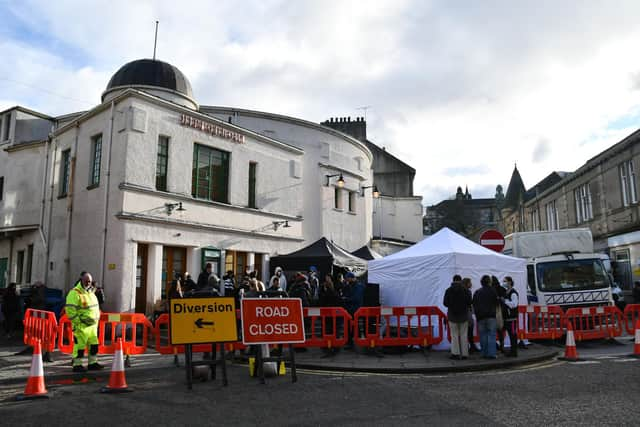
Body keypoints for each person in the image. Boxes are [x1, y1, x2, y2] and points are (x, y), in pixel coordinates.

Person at [65, 272, 103, 372]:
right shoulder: (74, 293)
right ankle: (77, 365)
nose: (88, 283)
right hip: (81, 326)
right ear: (81, 280)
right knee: (80, 346)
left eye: (89, 282)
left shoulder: (91, 292)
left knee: (94, 345)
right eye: (86, 281)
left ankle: (92, 363)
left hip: (92, 326)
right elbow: (70, 310)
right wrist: (78, 322)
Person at [443, 275, 472, 360]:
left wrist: (452, 305)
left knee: (454, 335)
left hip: (452, 315)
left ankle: (455, 353)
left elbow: (445, 303)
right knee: (464, 335)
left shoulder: (448, 290)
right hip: (463, 315)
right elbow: (469, 302)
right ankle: (464, 354)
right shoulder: (466, 290)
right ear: (460, 280)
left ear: (453, 280)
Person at [472, 275, 498, 359]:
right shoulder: (493, 291)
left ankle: (483, 353)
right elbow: (496, 303)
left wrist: (477, 313)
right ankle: (491, 354)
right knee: (491, 335)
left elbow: (474, 304)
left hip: (480, 316)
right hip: (491, 316)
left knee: (482, 335)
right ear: (489, 282)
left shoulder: (477, 292)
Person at [501, 276, 519, 357]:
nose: (503, 283)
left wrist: (505, 301)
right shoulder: (506, 292)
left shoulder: (513, 293)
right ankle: (511, 351)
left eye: (505, 281)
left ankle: (514, 352)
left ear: (509, 282)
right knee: (509, 334)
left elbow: (514, 305)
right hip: (507, 318)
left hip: (512, 319)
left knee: (513, 335)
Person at [463, 278, 480, 353]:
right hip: (467, 313)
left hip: (463, 313)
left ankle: (470, 346)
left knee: (466, 331)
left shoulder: (464, 291)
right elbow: (470, 303)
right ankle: (472, 346)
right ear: (467, 283)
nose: (471, 284)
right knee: (469, 329)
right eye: (470, 283)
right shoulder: (468, 292)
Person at [492, 275, 507, 353]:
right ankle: (502, 345)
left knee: (492, 331)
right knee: (500, 331)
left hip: (492, 313)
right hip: (501, 312)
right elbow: (505, 301)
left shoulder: (491, 290)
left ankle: (494, 345)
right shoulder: (502, 289)